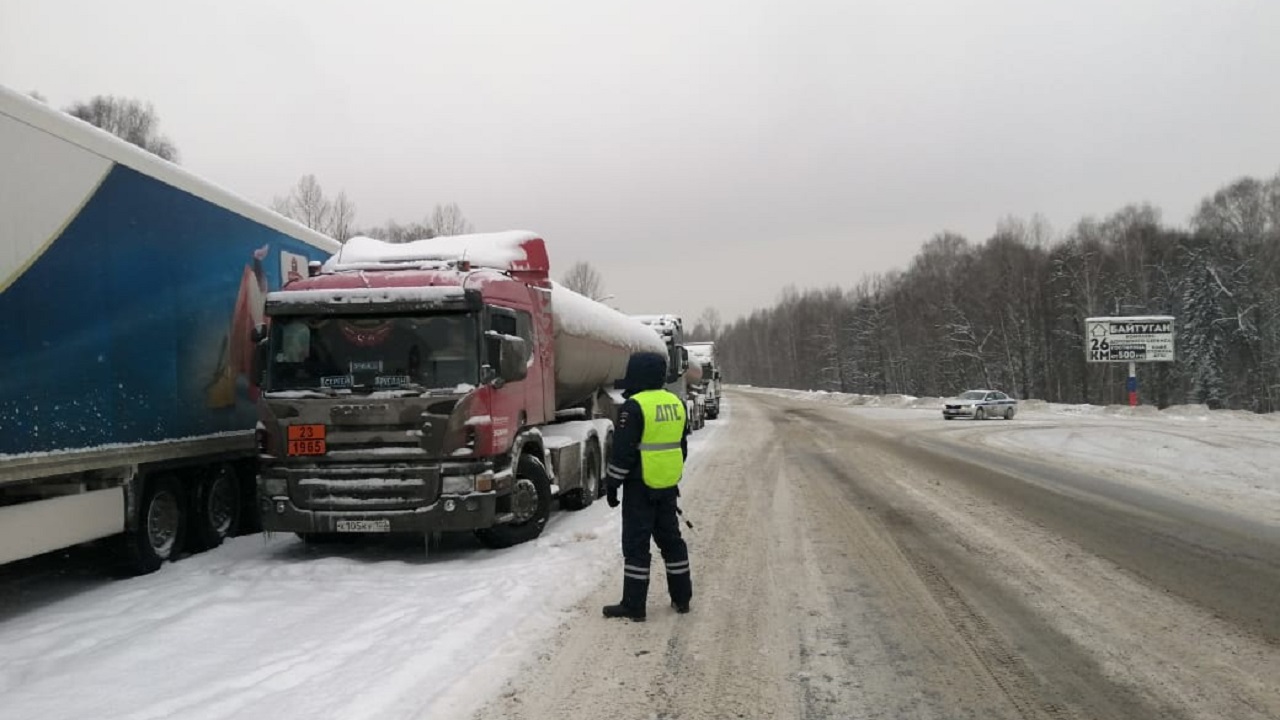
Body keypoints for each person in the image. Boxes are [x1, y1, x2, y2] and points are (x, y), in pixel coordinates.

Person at [603, 351, 692, 622]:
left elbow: (623, 453)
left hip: (640, 488)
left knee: (636, 546)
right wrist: (666, 474)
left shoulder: (634, 407)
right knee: (672, 542)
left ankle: (634, 605)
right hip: (667, 485)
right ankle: (682, 599)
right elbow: (681, 447)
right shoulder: (676, 403)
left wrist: (613, 484)